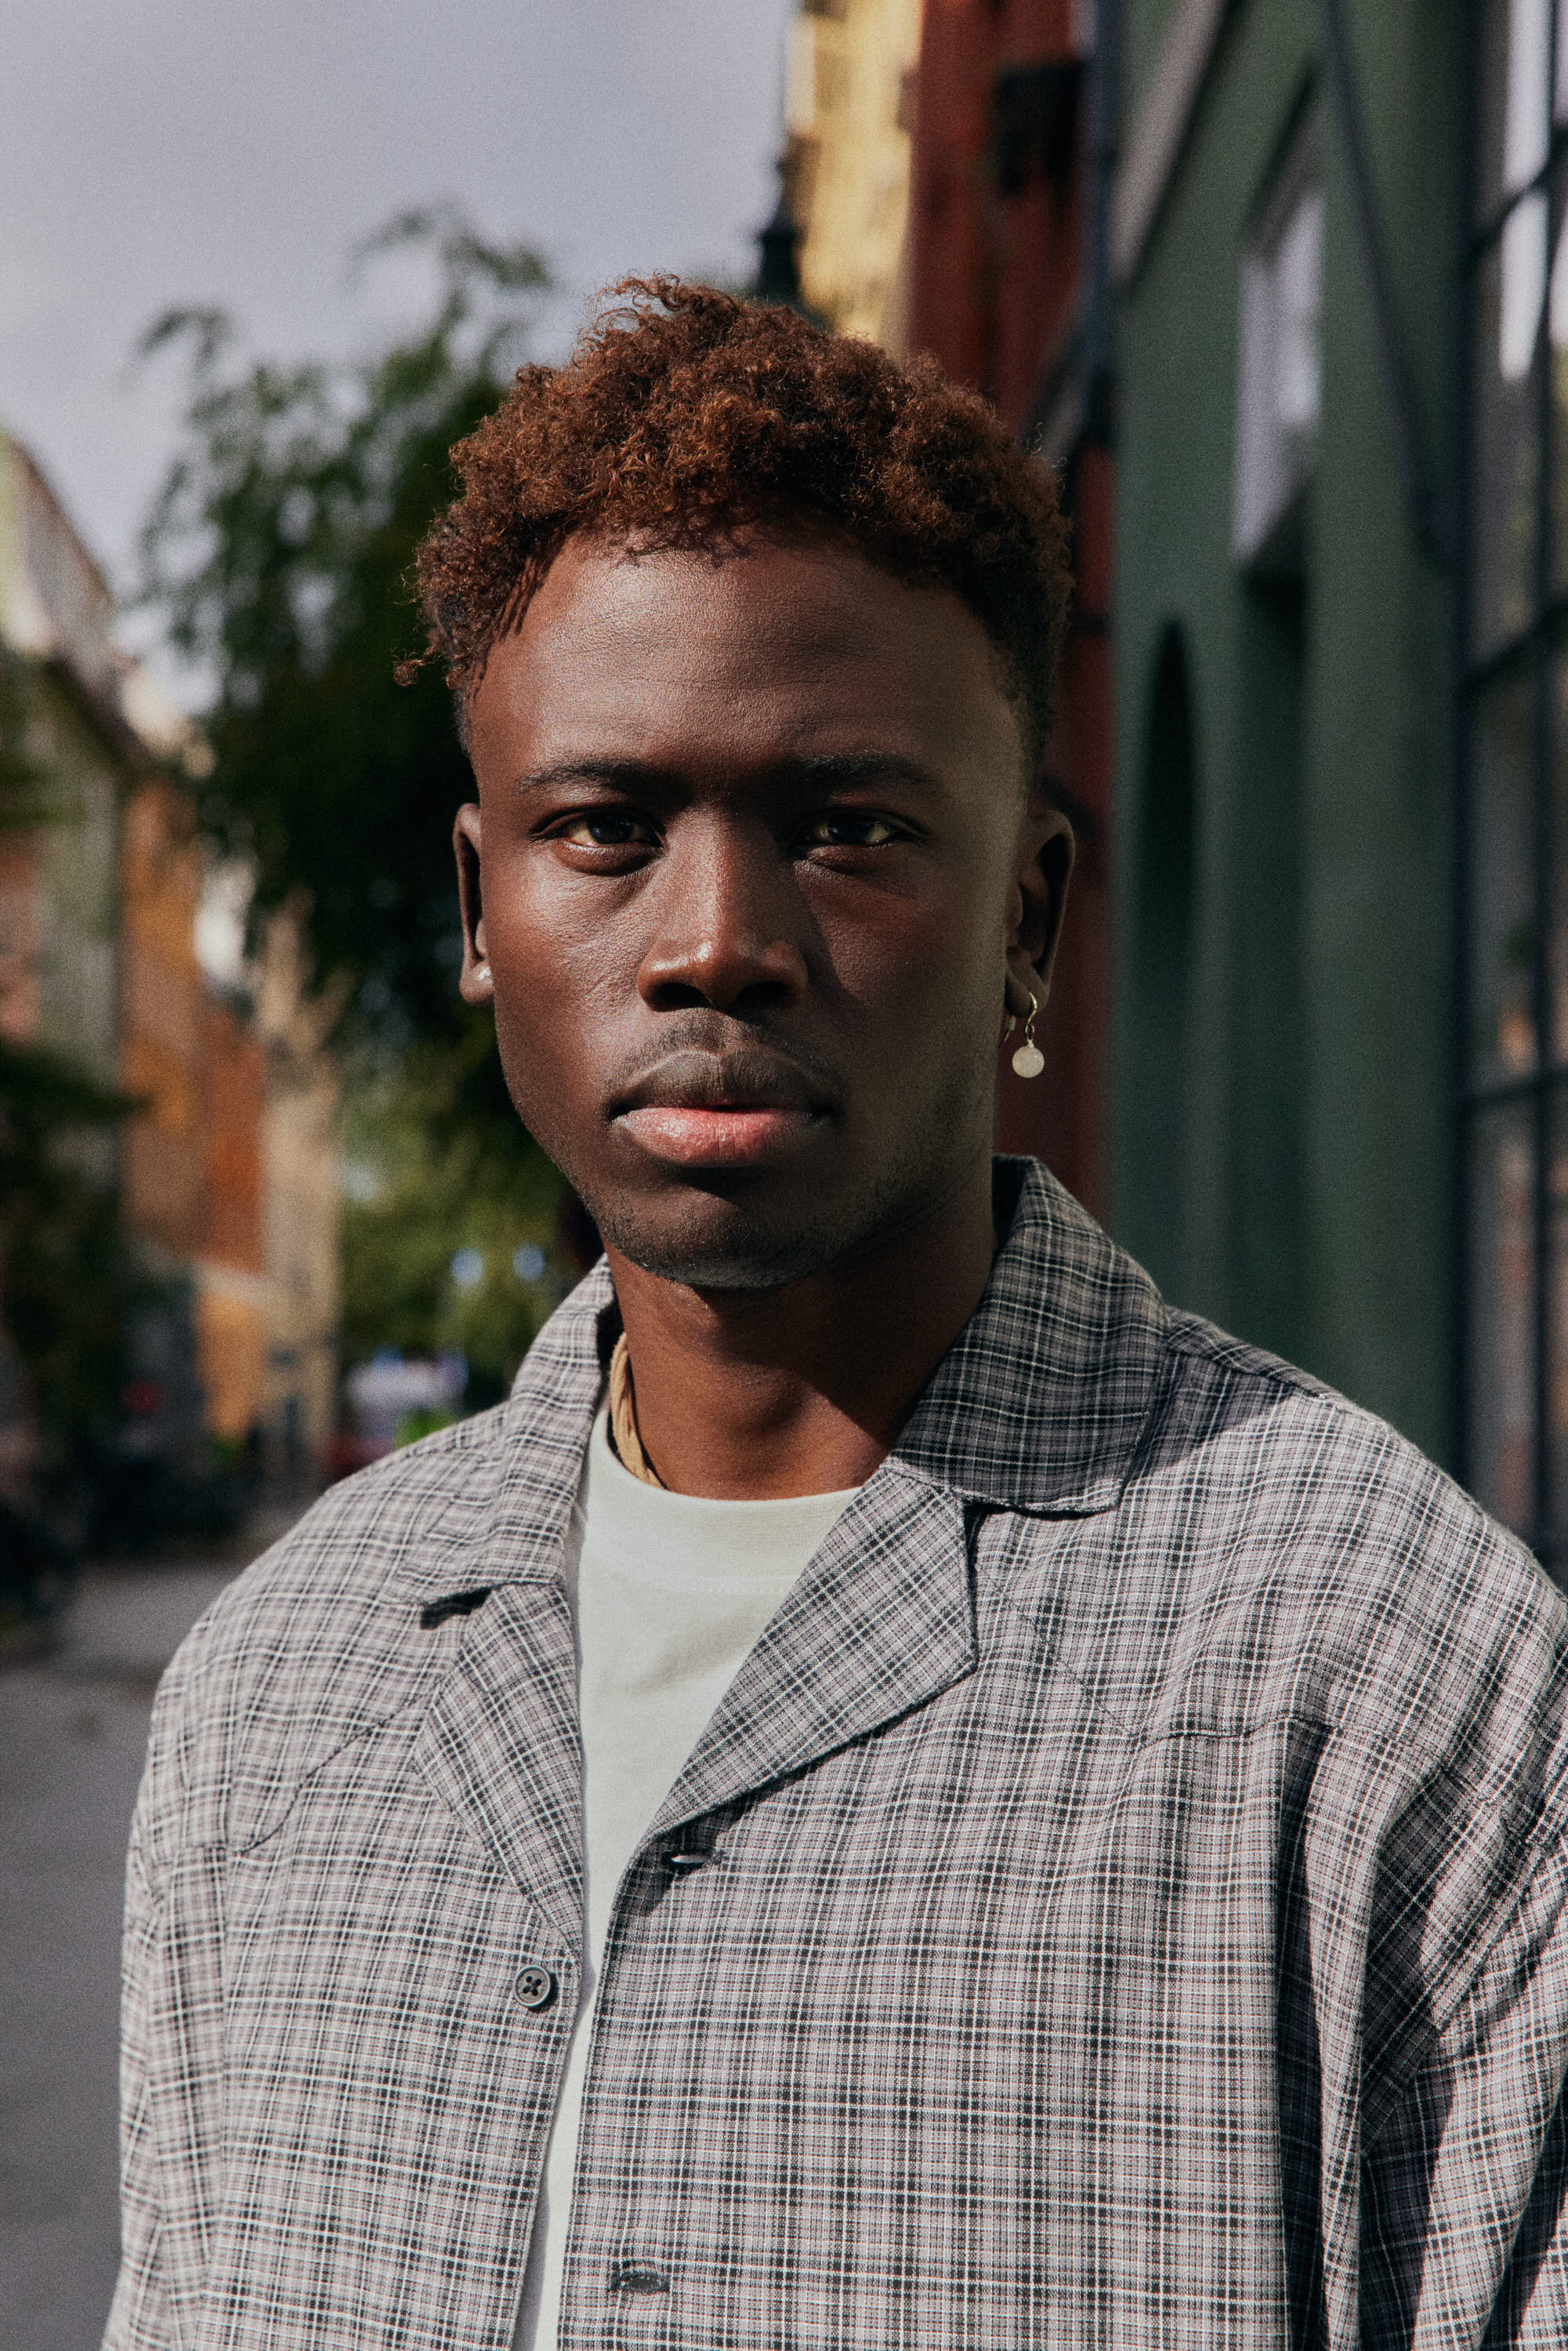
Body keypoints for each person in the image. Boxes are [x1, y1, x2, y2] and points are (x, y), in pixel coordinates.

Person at [106, 283, 1568, 2351]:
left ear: (1027, 918)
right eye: (603, 829)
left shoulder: (1385, 1680)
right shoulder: (279, 1689)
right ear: (478, 912)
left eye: (847, 829)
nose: (717, 942)